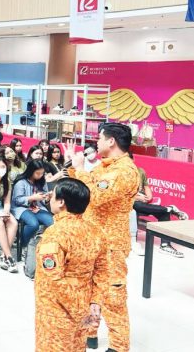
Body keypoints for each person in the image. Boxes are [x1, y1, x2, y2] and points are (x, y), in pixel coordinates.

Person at [64, 122, 139, 352]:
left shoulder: (125, 171)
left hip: (111, 246)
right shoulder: (104, 167)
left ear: (111, 141)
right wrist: (73, 166)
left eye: (99, 138)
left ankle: (118, 346)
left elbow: (95, 195)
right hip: (92, 241)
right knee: (88, 292)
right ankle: (90, 334)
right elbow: (83, 188)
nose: (95, 142)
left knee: (113, 298)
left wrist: (81, 170)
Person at [34, 178, 107, 352]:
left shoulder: (55, 234)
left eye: (53, 195)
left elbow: (53, 280)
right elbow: (103, 270)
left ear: (61, 202)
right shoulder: (96, 231)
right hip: (86, 304)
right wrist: (94, 303)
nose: (50, 198)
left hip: (58, 311)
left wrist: (80, 311)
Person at [133, 165, 188, 258]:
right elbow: (120, 194)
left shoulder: (140, 171)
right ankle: (168, 209)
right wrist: (138, 197)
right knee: (136, 205)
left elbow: (147, 187)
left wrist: (148, 196)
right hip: (129, 202)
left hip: (142, 201)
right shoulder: (119, 173)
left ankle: (165, 245)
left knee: (164, 213)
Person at [11, 160, 54, 248]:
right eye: (38, 173)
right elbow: (17, 200)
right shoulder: (21, 182)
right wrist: (32, 198)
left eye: (42, 173)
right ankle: (23, 245)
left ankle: (42, 246)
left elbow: (43, 199)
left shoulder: (42, 181)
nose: (40, 175)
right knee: (33, 224)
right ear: (31, 171)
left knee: (52, 223)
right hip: (22, 208)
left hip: (37, 208)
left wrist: (47, 198)